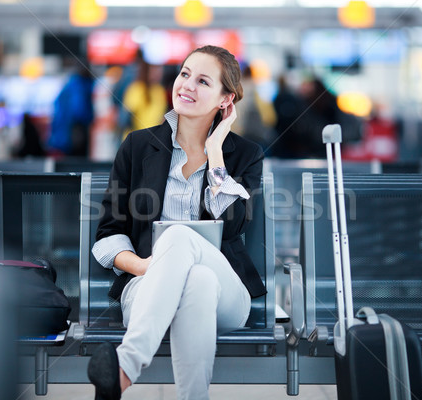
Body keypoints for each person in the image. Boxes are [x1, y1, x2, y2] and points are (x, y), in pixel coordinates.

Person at [87, 45, 266, 400]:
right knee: (194, 280)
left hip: (226, 293)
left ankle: (125, 368)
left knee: (186, 243)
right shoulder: (138, 146)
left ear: (225, 99)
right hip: (146, 284)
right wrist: (142, 266)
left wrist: (216, 151)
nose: (187, 85)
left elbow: (231, 227)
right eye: (185, 74)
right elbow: (108, 233)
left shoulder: (245, 155)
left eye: (202, 81)